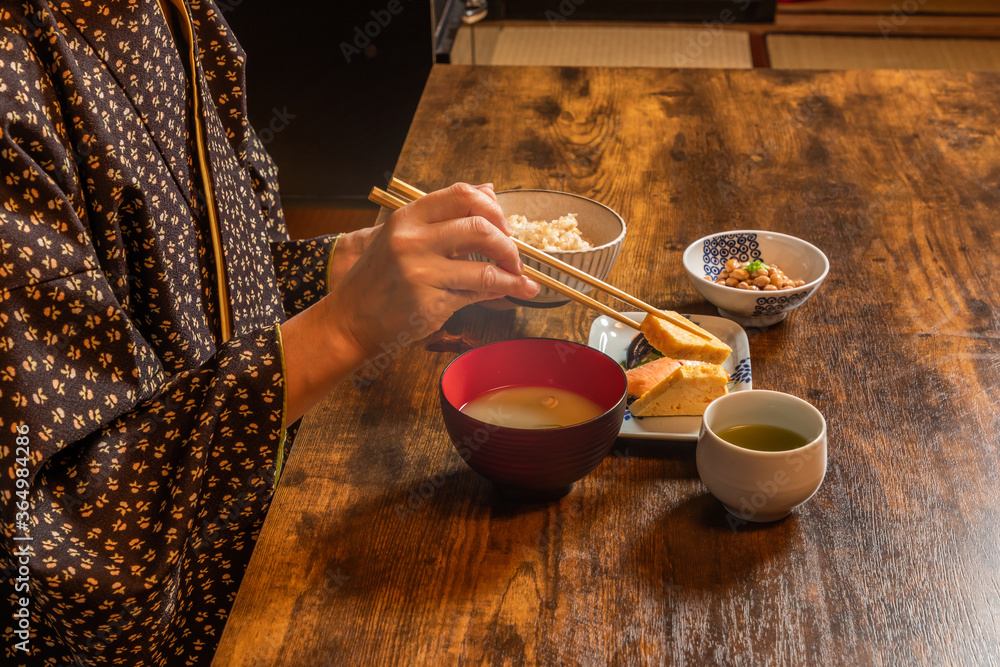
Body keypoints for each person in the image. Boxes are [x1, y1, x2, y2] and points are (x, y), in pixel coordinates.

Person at [0, 0, 539, 664]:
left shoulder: (173, 14)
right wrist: (345, 326)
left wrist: (343, 267)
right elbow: (74, 547)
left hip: (261, 539)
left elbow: (227, 290)